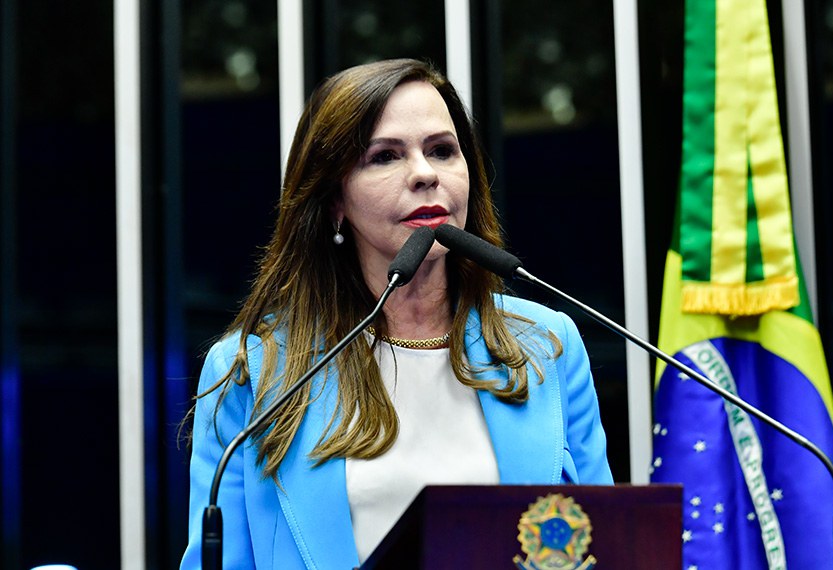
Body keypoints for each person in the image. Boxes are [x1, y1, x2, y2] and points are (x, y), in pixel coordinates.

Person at [180, 58, 613, 570]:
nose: (426, 174)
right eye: (385, 156)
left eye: (442, 151)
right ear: (335, 198)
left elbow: (602, 543)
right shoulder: (254, 369)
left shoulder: (547, 344)